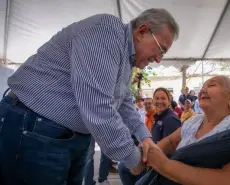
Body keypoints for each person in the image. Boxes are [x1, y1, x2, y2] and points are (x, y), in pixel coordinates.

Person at [0, 8, 179, 185]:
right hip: (36, 127)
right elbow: (98, 108)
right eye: (161, 50)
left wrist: (145, 137)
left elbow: (123, 101)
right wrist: (133, 159)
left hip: (65, 136)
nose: (158, 59)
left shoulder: (126, 56)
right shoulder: (106, 32)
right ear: (142, 31)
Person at [144, 76, 230, 185]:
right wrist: (147, 155)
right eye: (202, 87)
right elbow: (171, 141)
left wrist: (165, 165)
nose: (203, 90)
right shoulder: (194, 122)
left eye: (212, 85)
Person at [118, 87, 181, 185]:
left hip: (159, 166)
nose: (159, 101)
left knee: (124, 167)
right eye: (157, 98)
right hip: (152, 156)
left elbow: (168, 150)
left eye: (163, 98)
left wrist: (145, 158)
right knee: (124, 164)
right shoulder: (159, 117)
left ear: (169, 101)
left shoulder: (170, 119)